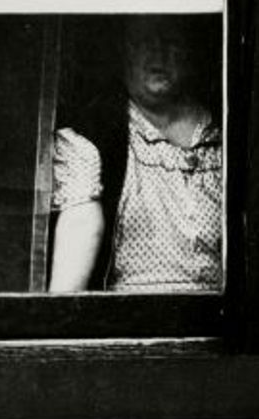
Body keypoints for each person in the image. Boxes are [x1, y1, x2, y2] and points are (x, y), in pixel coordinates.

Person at [47, 19, 222, 292]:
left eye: (170, 42)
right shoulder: (94, 136)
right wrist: (60, 314)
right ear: (123, 53)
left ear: (188, 52)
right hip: (133, 312)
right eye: (143, 41)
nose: (158, 52)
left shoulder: (222, 134)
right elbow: (80, 225)